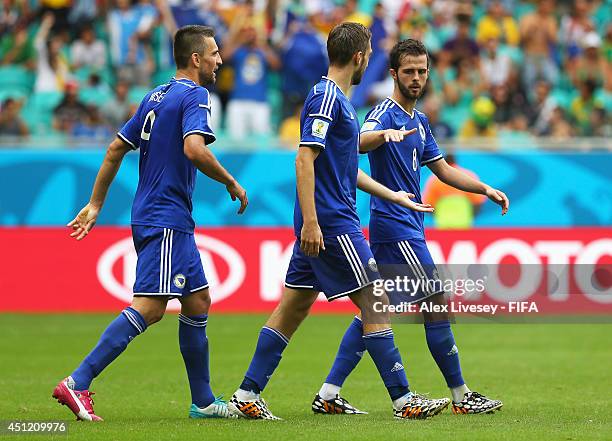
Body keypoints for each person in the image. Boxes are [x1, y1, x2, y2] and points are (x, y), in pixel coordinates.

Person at [227, 23, 450, 421]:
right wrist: (312, 222)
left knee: (293, 308)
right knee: (375, 300)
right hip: (332, 223)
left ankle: (247, 392)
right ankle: (403, 400)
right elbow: (304, 157)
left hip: (324, 220)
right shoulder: (327, 97)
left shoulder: (339, 101)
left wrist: (391, 193)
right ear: (360, 57)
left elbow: (344, 168)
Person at [52, 25, 248, 422]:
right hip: (166, 217)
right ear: (195, 58)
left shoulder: (155, 95)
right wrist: (230, 180)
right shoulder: (196, 94)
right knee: (151, 307)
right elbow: (193, 148)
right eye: (213, 54)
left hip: (160, 214)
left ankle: (204, 401)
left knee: (197, 301)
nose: (219, 60)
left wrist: (95, 204)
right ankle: (78, 382)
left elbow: (114, 148)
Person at [314, 39, 508, 416]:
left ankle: (328, 392)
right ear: (393, 75)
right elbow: (359, 140)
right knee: (435, 300)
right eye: (408, 72)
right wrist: (381, 136)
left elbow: (444, 170)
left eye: (421, 71)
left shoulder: (419, 122)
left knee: (374, 309)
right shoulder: (385, 112)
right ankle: (461, 395)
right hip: (395, 226)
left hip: (408, 225)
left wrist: (484, 187)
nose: (416, 78)